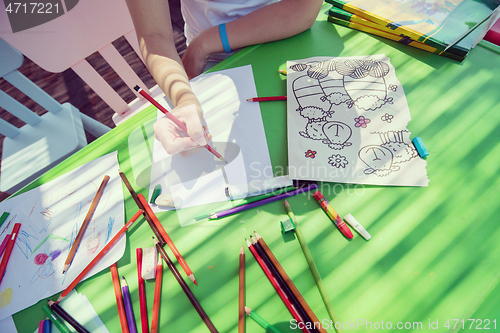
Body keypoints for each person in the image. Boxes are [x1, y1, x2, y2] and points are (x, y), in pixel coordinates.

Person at [125, 0, 323, 156]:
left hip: (284, 35)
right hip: (213, 65)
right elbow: (153, 35)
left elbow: (303, 7)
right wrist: (184, 98)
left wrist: (206, 41)